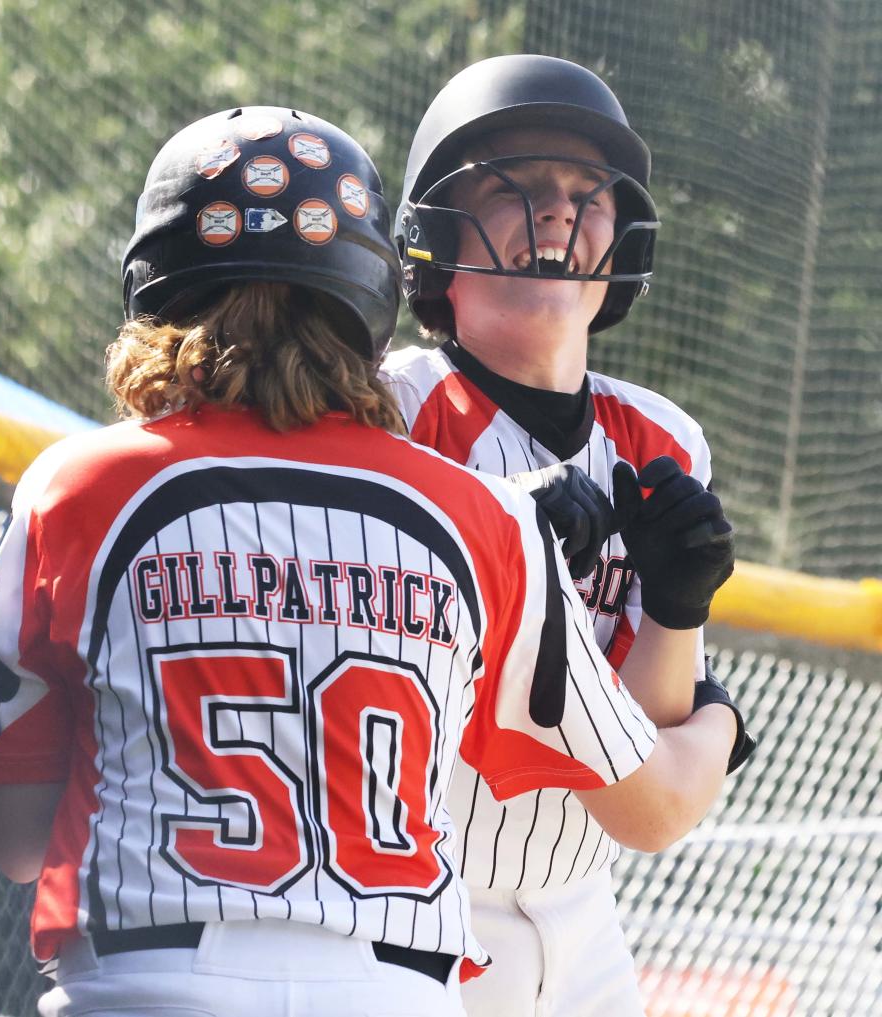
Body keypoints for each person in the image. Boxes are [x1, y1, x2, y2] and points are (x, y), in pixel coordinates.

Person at [0, 105, 743, 1017]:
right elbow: (655, 803)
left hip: (143, 983)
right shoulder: (480, 516)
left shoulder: (75, 485)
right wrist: (714, 705)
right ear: (379, 295)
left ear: (150, 288)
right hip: (395, 987)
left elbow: (14, 839)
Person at [382, 54, 755, 1017]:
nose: (558, 213)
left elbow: (648, 737)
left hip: (587, 914)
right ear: (435, 233)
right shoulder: (393, 410)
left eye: (587, 193)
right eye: (519, 185)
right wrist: (498, 552)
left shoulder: (664, 437)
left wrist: (675, 609)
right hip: (414, 902)